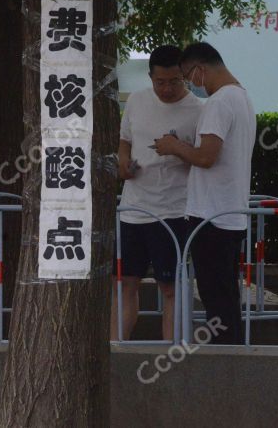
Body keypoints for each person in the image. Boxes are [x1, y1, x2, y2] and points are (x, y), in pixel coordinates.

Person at [155, 42, 256, 344]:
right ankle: (231, 357)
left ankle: (225, 364)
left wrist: (173, 146)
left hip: (211, 217)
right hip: (230, 214)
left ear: (200, 70)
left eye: (187, 77)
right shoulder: (242, 97)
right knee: (225, 296)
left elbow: (206, 156)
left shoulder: (218, 102)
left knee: (217, 300)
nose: (189, 84)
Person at [110, 45, 203, 341]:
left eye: (174, 81)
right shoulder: (137, 100)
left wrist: (177, 148)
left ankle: (170, 352)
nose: (166, 89)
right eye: (159, 82)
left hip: (175, 211)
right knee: (125, 282)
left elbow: (206, 158)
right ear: (150, 77)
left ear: (185, 76)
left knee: (171, 287)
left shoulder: (200, 110)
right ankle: (117, 348)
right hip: (133, 208)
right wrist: (123, 161)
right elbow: (125, 140)